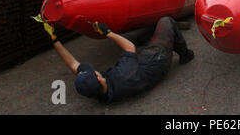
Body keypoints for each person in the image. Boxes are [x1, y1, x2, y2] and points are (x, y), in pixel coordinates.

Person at [44, 17, 195, 103]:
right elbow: (129, 48)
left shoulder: (94, 89)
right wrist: (107, 33)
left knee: (128, 37)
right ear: (100, 79)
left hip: (139, 65)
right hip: (157, 60)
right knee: (165, 21)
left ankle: (150, 33)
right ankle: (185, 54)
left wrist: (54, 40)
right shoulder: (122, 75)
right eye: (95, 73)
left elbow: (73, 64)